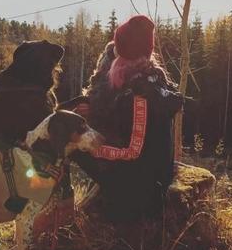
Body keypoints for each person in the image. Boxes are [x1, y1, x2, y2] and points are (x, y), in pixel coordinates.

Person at [67, 15, 183, 221]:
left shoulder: (139, 95)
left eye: (119, 51)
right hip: (151, 175)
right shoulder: (150, 77)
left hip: (141, 188)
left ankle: (63, 213)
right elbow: (121, 122)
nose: (114, 57)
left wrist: (81, 145)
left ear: (124, 53)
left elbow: (132, 152)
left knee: (69, 145)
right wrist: (93, 110)